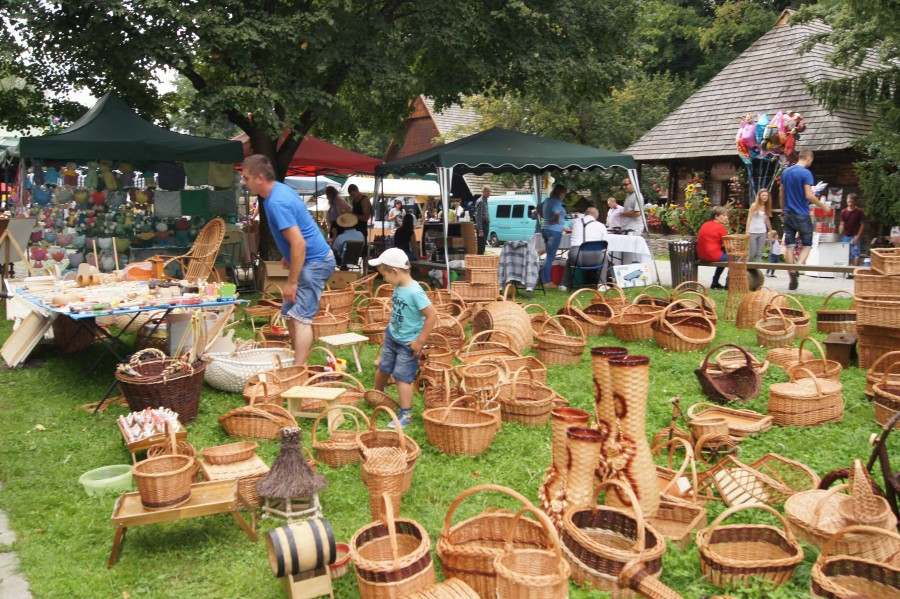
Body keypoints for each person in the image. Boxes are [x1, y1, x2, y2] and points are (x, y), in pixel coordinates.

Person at [242, 154, 335, 363]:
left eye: (245, 178)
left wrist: (292, 283)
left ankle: (298, 371)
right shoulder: (277, 193)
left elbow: (299, 243)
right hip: (308, 259)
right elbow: (298, 236)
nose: (243, 182)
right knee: (292, 314)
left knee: (300, 318)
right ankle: (296, 362)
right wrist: (290, 257)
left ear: (259, 177)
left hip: (316, 262)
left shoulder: (277, 202)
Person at [369, 248, 438, 428]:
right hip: (393, 335)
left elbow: (432, 316)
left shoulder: (415, 292)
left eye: (384, 274)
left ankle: (406, 414)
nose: (383, 279)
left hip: (409, 343)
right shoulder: (398, 285)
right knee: (384, 367)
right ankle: (377, 395)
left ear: (395, 272)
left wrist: (420, 342)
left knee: (402, 377)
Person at [779, 149, 829, 290]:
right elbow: (808, 195)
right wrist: (822, 206)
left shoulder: (786, 172)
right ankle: (798, 267)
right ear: (809, 158)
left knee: (789, 245)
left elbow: (781, 194)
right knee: (807, 244)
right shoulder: (806, 173)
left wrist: (783, 210)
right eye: (811, 160)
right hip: (802, 214)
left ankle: (791, 276)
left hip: (788, 213)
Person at [559, 206, 608, 291]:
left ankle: (564, 285)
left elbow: (569, 226)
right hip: (595, 257)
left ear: (585, 214)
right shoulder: (601, 225)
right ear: (596, 216)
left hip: (576, 256)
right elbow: (606, 243)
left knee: (569, 259)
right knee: (605, 257)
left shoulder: (575, 222)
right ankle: (601, 284)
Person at [540, 184, 567, 288]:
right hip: (553, 231)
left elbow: (538, 208)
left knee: (548, 255)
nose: (564, 196)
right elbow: (556, 212)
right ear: (561, 193)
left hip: (545, 228)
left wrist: (545, 218)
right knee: (550, 257)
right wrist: (556, 220)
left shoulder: (547, 200)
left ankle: (545, 278)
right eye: (564, 193)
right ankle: (546, 281)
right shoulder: (556, 202)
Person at [697, 206, 730, 289]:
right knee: (734, 258)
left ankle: (715, 282)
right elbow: (727, 245)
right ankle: (726, 283)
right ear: (716, 216)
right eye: (724, 215)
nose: (726, 218)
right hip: (713, 255)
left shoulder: (705, 225)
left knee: (725, 257)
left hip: (701, 255)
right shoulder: (721, 227)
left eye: (726, 215)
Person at [746, 189, 773, 262]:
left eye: (766, 195)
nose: (765, 197)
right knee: (752, 253)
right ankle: (747, 268)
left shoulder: (766, 206)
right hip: (753, 231)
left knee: (759, 253)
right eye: (763, 195)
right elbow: (749, 218)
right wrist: (747, 231)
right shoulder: (754, 205)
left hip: (762, 232)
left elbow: (767, 220)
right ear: (759, 196)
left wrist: (770, 230)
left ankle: (758, 270)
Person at [840, 193, 865, 269]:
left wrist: (858, 236)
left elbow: (863, 224)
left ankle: (855, 271)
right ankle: (846, 271)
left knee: (856, 254)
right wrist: (840, 233)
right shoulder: (843, 212)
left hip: (855, 235)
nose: (850, 204)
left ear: (855, 202)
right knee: (845, 254)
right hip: (846, 235)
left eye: (852, 202)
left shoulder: (859, 212)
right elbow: (842, 223)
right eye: (848, 202)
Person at [473, 186, 491, 254]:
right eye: (488, 191)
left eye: (490, 191)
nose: (490, 193)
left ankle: (481, 257)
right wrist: (480, 230)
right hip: (482, 225)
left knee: (483, 244)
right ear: (484, 192)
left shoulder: (485, 200)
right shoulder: (480, 201)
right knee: (481, 244)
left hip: (486, 224)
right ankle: (480, 258)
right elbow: (479, 216)